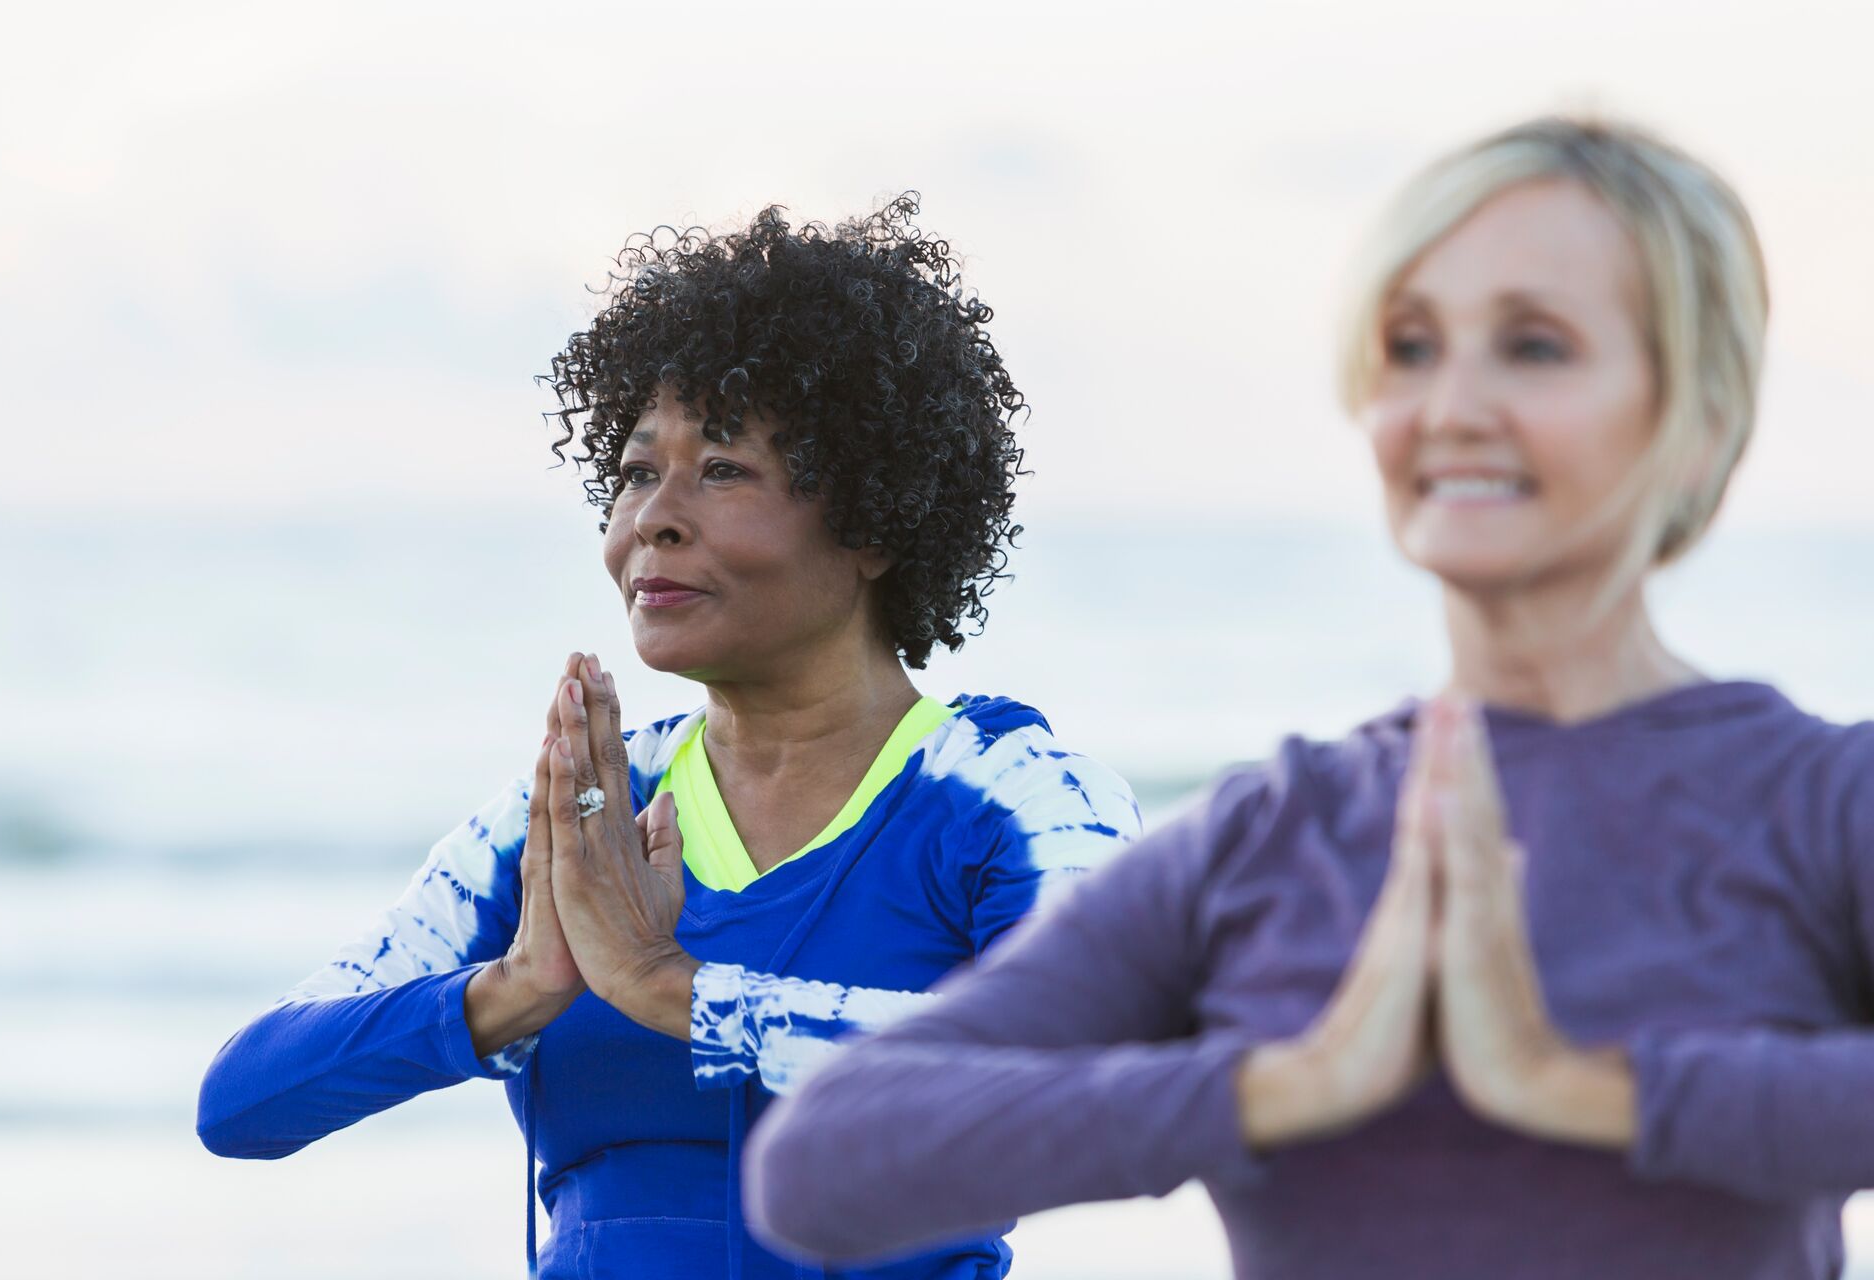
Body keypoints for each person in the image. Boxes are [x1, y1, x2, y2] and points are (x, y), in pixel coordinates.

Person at [745, 120, 1874, 1280]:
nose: (1452, 406)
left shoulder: (1824, 798)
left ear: (1699, 420)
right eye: (1412, 346)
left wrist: (1576, 1082)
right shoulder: (1271, 834)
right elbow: (824, 1161)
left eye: (1535, 346)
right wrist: (1287, 1081)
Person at [195, 196, 1140, 1280]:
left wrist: (670, 986)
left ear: (876, 520)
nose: (655, 516)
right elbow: (245, 1100)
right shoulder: (571, 817)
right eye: (639, 471)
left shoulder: (1016, 794)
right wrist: (512, 990)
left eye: (723, 469)